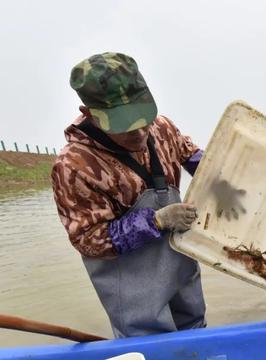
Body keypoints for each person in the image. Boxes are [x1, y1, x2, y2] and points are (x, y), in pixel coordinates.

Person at [51, 52, 207, 337]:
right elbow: (89, 241)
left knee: (197, 336)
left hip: (182, 274)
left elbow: (193, 156)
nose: (140, 133)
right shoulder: (74, 166)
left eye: (143, 118)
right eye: (125, 126)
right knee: (151, 350)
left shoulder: (162, 128)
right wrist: (156, 222)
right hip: (137, 295)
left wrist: (221, 170)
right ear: (91, 115)